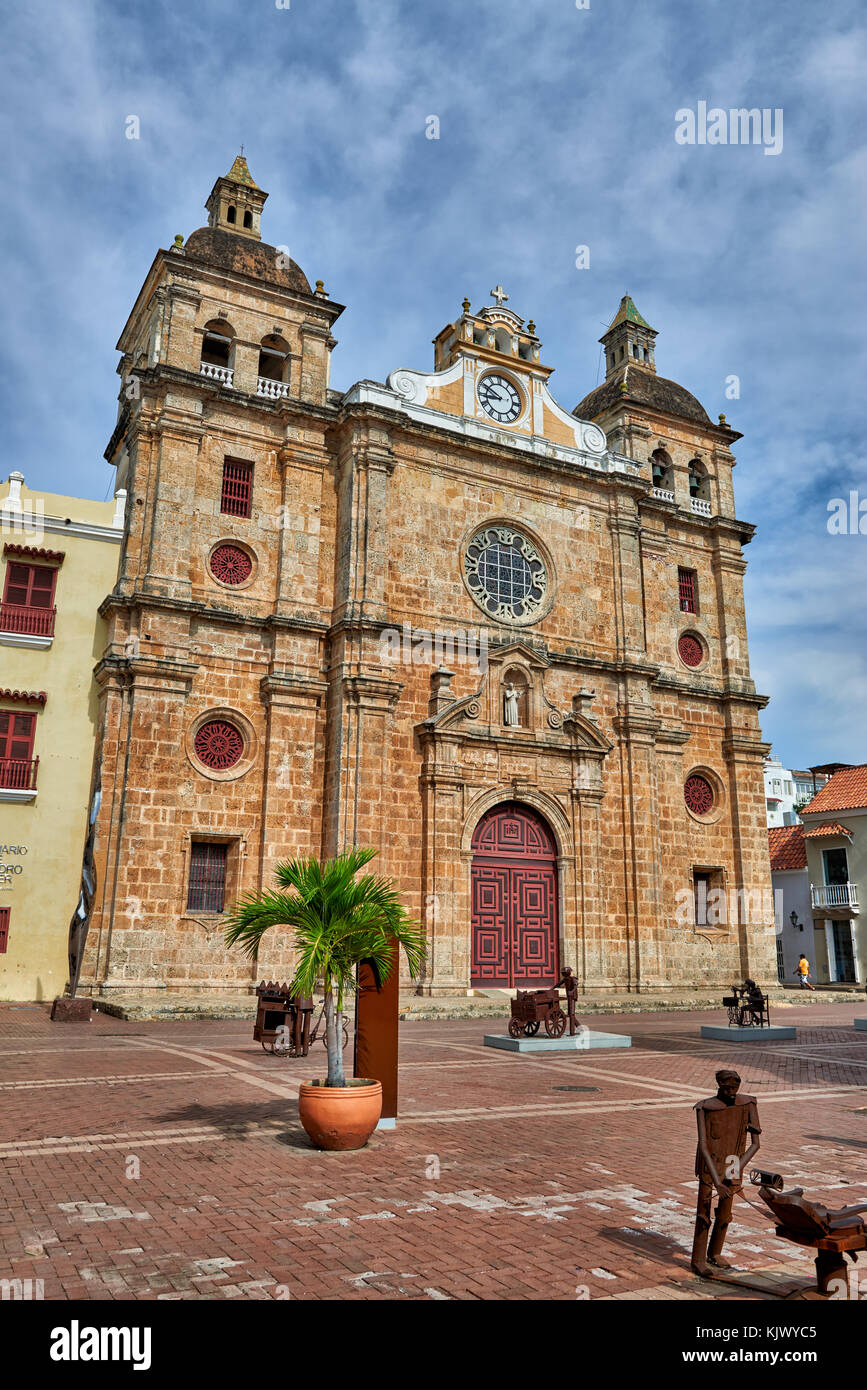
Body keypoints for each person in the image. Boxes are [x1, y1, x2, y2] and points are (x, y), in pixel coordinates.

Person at [691, 1069, 761, 1277]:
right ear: (719, 1086)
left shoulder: (748, 1104)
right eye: (726, 1088)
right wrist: (716, 1181)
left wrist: (735, 1169)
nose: (731, 1092)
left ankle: (715, 1252)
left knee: (725, 1213)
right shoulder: (705, 1107)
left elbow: (756, 1144)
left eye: (734, 1088)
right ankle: (697, 1259)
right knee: (703, 1213)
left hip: (733, 1162)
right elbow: (703, 1146)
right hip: (709, 1164)